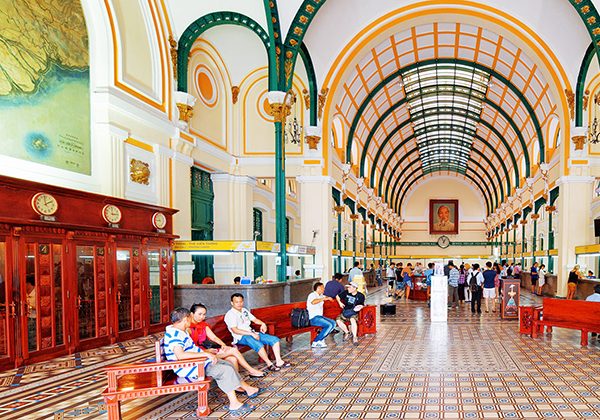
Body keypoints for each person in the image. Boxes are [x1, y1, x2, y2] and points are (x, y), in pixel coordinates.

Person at [164, 307, 262, 415]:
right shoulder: (175, 335)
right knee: (224, 370)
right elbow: (181, 355)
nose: (191, 321)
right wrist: (205, 354)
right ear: (185, 320)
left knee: (228, 364)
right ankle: (234, 404)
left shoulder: (179, 331)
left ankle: (246, 389)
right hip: (191, 366)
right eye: (189, 318)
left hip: (199, 361)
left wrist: (206, 354)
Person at [189, 303, 265, 378]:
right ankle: (251, 370)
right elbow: (189, 348)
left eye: (204, 314)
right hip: (200, 354)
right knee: (233, 350)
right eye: (200, 314)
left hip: (208, 350)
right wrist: (207, 351)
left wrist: (223, 346)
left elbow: (214, 338)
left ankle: (237, 384)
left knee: (233, 359)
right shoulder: (187, 327)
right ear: (192, 314)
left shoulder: (203, 325)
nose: (202, 317)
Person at [224, 293, 291, 372]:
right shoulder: (230, 315)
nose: (239, 304)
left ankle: (279, 361)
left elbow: (255, 320)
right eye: (236, 302)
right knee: (259, 345)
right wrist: (252, 334)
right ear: (232, 303)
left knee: (275, 340)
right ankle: (269, 364)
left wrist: (263, 324)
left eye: (241, 302)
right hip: (240, 337)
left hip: (252, 333)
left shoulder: (244, 310)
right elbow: (235, 330)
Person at [306, 282, 336, 348]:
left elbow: (326, 297)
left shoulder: (321, 295)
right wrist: (324, 299)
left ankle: (321, 339)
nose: (324, 289)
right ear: (318, 288)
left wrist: (329, 298)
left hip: (320, 317)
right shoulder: (312, 295)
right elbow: (313, 302)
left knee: (333, 323)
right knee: (329, 325)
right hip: (313, 318)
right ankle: (316, 341)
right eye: (323, 288)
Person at [336, 282, 365, 346]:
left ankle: (355, 337)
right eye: (348, 287)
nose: (348, 288)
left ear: (354, 288)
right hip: (346, 312)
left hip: (354, 313)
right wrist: (340, 303)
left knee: (352, 320)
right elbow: (337, 296)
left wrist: (358, 307)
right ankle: (347, 332)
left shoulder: (360, 296)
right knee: (338, 320)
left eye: (349, 287)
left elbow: (362, 305)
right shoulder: (345, 292)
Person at [25, 274, 37, 351]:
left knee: (31, 336)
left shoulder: (37, 293)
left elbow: (42, 307)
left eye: (25, 283)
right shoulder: (25, 293)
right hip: (26, 317)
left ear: (29, 284)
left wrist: (29, 307)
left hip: (34, 318)